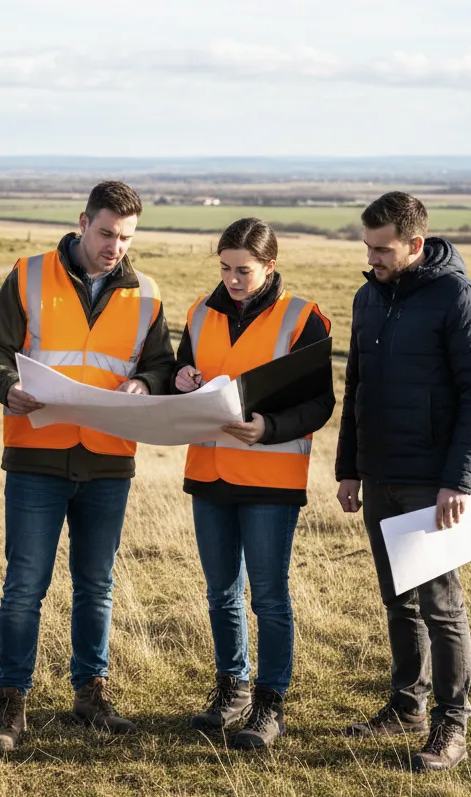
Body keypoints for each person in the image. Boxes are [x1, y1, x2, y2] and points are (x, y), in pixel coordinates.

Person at [0, 181, 175, 751]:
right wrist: (7, 388)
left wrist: (145, 383)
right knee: (24, 586)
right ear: (83, 222)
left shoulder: (148, 294)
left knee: (97, 585)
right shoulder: (29, 274)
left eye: (126, 237)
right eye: (106, 233)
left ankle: (91, 695)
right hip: (36, 455)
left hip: (109, 460)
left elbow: (162, 365)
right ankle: (11, 703)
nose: (115, 247)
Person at [335, 192, 471, 772]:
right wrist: (349, 467)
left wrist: (457, 480)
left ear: (415, 244)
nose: (372, 258)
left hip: (433, 482)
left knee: (441, 606)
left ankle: (451, 726)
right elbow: (356, 387)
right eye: (367, 246)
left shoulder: (460, 298)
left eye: (382, 249)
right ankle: (407, 706)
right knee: (397, 600)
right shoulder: (368, 297)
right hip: (379, 474)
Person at [173, 218, 334, 750]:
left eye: (243, 270)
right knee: (220, 593)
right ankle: (232, 690)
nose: (232, 279)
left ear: (270, 265)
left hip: (270, 478)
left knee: (268, 596)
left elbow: (320, 403)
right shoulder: (200, 312)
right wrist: (182, 379)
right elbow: (183, 373)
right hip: (209, 473)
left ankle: (270, 705)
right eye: (225, 268)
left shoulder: (303, 318)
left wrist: (270, 428)